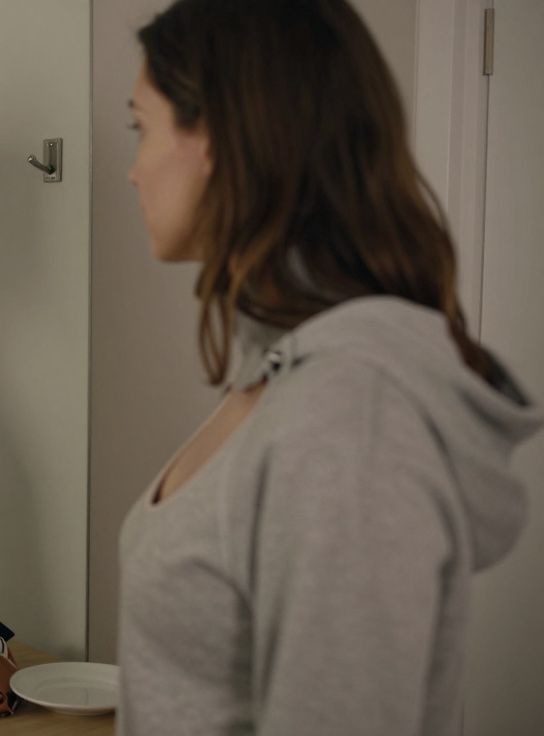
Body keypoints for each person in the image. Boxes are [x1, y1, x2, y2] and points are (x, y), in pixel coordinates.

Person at [117, 1, 540, 734]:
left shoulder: (349, 415)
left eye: (140, 128)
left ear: (216, 136)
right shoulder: (284, 379)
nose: (132, 171)